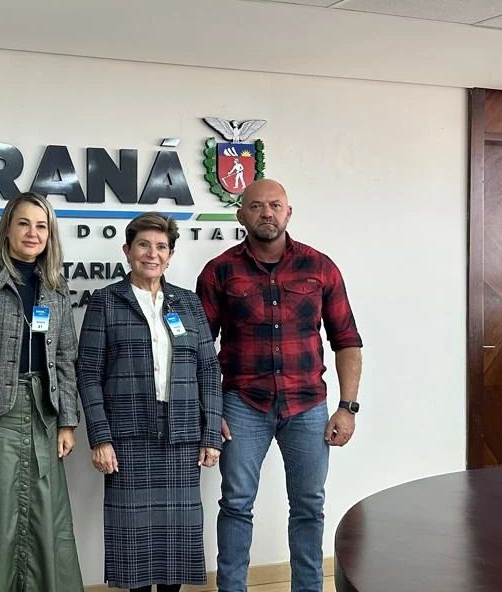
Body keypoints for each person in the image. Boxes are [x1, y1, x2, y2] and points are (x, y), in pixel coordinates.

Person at [196, 180, 363, 592]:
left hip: (307, 406)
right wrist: (210, 410)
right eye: (256, 206)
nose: (266, 213)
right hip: (241, 405)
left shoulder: (320, 267)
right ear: (241, 215)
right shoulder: (219, 271)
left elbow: (346, 340)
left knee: (309, 507)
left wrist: (347, 407)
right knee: (236, 504)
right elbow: (198, 350)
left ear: (289, 212)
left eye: (275, 205)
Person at [77, 212, 223, 592]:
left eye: (161, 247)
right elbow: (88, 373)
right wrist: (100, 437)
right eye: (143, 245)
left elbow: (209, 370)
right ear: (127, 250)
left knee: (176, 545)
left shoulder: (188, 303)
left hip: (181, 436)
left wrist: (211, 434)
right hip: (127, 438)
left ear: (170, 255)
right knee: (135, 545)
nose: (152, 254)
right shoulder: (106, 302)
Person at [0, 191, 84, 592]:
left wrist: (68, 422)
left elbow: (65, 358)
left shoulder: (56, 287)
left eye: (41, 226)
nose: (32, 233)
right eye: (23, 223)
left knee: (45, 518)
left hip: (45, 414)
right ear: (7, 228)